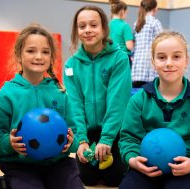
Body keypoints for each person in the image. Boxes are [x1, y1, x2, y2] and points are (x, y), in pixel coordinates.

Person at [118, 31, 190, 189]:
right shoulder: (139, 99)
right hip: (147, 167)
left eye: (176, 56)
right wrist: (133, 159)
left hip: (186, 169)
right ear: (153, 62)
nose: (169, 63)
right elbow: (128, 138)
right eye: (161, 57)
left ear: (186, 61)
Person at [0, 24, 84, 189]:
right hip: (20, 165)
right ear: (19, 56)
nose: (39, 56)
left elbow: (75, 133)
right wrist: (9, 143)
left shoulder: (60, 93)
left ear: (51, 57)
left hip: (58, 163)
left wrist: (72, 143)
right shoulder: (6, 95)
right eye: (31, 51)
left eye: (45, 52)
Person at [64, 5, 131, 187]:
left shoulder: (119, 58)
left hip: (115, 130)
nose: (87, 30)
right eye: (82, 26)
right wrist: (81, 141)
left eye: (93, 25)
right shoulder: (70, 65)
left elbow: (117, 102)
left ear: (104, 28)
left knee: (114, 179)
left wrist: (107, 139)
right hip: (88, 131)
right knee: (88, 178)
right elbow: (74, 105)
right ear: (76, 31)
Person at [131, 0, 163, 88]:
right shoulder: (155, 22)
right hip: (149, 69)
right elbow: (162, 43)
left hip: (137, 68)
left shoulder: (137, 23)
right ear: (155, 8)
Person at [108, 0, 134, 66]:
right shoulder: (125, 26)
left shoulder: (108, 25)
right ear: (123, 11)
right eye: (126, 13)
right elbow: (129, 46)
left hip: (110, 56)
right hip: (123, 57)